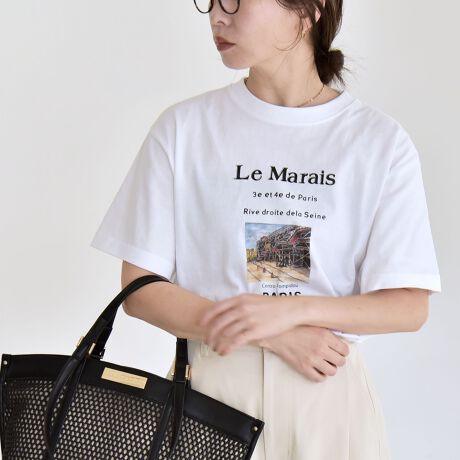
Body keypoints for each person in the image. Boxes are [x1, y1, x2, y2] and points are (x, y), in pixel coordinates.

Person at [90, 0, 442, 458]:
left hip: (327, 396)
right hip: (210, 395)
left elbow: (409, 306)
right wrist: (270, 331)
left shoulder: (378, 142)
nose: (218, 16)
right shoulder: (185, 129)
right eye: (211, 1)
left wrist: (290, 312)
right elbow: (140, 289)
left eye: (236, 0)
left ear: (310, 10)